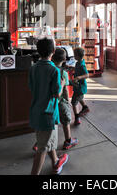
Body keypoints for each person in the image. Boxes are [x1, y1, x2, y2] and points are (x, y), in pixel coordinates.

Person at [29, 38, 68, 175]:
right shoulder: (54, 70)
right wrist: (62, 84)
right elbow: (57, 94)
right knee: (42, 148)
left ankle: (56, 161)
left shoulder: (33, 68)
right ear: (53, 51)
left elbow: (32, 87)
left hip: (36, 111)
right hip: (48, 113)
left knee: (46, 140)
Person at [52, 48, 79, 150]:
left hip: (51, 102)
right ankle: (68, 140)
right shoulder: (63, 73)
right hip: (61, 101)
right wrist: (68, 101)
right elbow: (65, 90)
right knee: (66, 120)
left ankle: (39, 143)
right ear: (64, 59)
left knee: (51, 122)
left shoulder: (50, 69)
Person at [71, 47, 90, 125]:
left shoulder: (82, 65)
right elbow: (77, 69)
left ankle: (77, 117)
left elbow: (87, 75)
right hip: (77, 86)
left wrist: (79, 77)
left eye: (74, 55)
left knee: (74, 102)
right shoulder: (78, 63)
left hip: (80, 87)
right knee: (80, 97)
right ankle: (85, 107)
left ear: (78, 56)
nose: (73, 56)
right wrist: (72, 69)